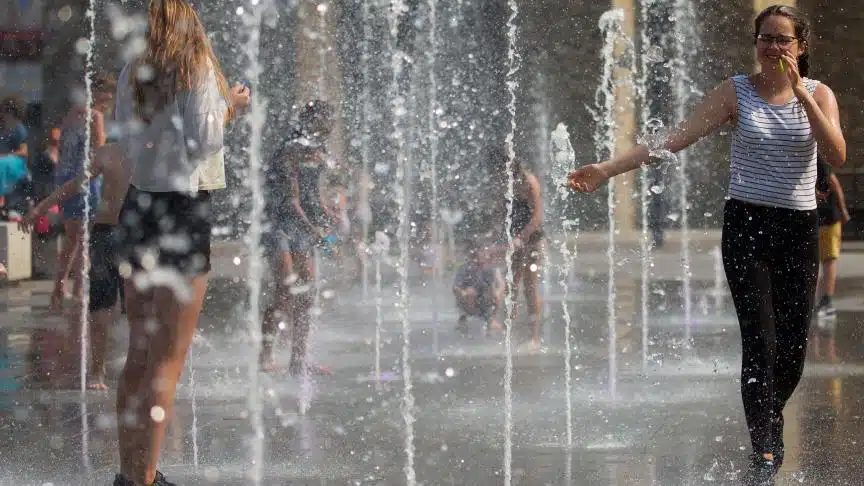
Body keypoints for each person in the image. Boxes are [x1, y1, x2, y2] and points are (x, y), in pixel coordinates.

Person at [568, 5, 845, 484]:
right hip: (748, 227)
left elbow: (836, 154)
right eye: (765, 38)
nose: (773, 47)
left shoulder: (819, 94)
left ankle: (766, 417)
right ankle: (764, 450)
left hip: (799, 229)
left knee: (793, 351)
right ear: (755, 43)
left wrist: (801, 94)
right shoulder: (735, 92)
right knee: (760, 343)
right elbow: (675, 139)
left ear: (801, 47)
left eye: (783, 39)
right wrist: (607, 170)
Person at [112, 0, 250, 484]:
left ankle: (129, 473)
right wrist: (233, 106)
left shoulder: (133, 69)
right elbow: (205, 141)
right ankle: (144, 479)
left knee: (139, 355)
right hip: (181, 212)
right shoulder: (196, 68)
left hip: (138, 209)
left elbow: (124, 136)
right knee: (167, 362)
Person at [20, 138, 128, 390]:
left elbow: (73, 185)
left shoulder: (116, 150)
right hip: (112, 233)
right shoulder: (139, 148)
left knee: (123, 306)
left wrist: (40, 209)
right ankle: (99, 370)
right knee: (105, 306)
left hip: (118, 233)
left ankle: (103, 372)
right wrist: (41, 208)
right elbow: (74, 185)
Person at [260, 100, 334, 377]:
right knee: (285, 291)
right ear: (312, 121)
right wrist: (316, 228)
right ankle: (265, 355)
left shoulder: (319, 150)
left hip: (301, 227)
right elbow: (291, 200)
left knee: (307, 293)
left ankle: (299, 360)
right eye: (326, 121)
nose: (329, 127)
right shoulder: (290, 150)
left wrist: (328, 212)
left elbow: (314, 191)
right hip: (278, 224)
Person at [50, 74, 114, 314]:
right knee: (82, 238)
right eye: (106, 94)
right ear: (95, 92)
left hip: (65, 180)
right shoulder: (95, 117)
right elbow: (100, 152)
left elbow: (62, 150)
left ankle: (71, 288)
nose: (109, 100)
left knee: (74, 238)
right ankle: (66, 288)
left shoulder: (70, 115)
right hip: (85, 182)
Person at [483, 146, 544, 350]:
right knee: (511, 285)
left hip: (533, 240)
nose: (496, 174)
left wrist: (522, 238)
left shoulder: (529, 182)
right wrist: (494, 237)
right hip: (514, 241)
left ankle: (534, 338)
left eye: (498, 169)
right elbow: (502, 213)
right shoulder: (506, 183)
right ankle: (509, 335)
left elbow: (537, 218)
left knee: (529, 287)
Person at [814, 157, 850, 320]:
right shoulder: (819, 158)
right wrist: (843, 211)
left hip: (816, 217)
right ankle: (825, 301)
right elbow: (835, 184)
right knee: (828, 261)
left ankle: (821, 301)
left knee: (819, 262)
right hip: (826, 218)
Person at [453, 242, 504, 333]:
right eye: (481, 252)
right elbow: (455, 287)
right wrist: (463, 293)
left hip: (484, 298)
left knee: (494, 291)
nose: (484, 255)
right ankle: (463, 316)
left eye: (486, 253)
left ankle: (491, 319)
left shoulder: (491, 269)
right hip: (469, 299)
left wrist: (498, 292)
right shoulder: (465, 268)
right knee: (470, 291)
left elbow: (501, 284)